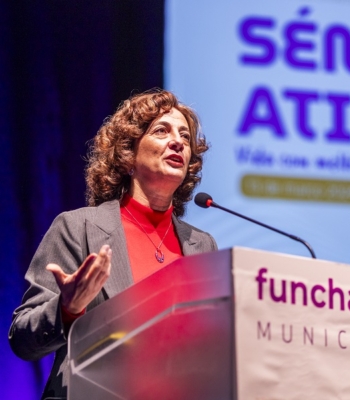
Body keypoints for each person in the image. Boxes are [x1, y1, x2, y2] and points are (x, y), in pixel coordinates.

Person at [8, 89, 217, 399]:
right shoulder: (78, 228)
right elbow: (23, 338)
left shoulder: (203, 246)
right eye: (162, 130)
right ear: (128, 154)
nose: (178, 142)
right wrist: (67, 308)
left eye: (185, 137)